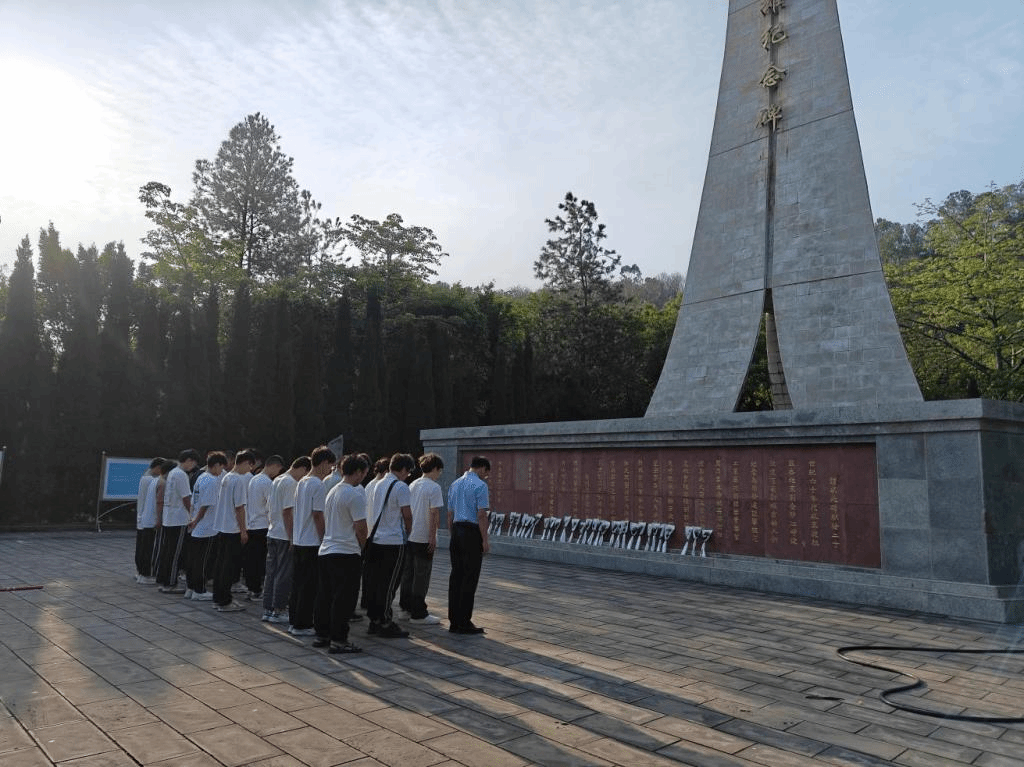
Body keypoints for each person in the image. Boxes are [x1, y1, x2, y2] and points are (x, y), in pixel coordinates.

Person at [313, 454, 369, 654]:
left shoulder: (333, 491)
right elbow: (361, 528)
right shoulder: (354, 495)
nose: (364, 477)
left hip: (327, 549)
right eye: (364, 473)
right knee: (344, 599)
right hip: (346, 551)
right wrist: (363, 546)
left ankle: (322, 634)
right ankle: (339, 639)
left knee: (325, 596)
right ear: (358, 472)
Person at [363, 453, 415, 638]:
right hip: (393, 541)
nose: (407, 476)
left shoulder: (378, 483)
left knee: (376, 582)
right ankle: (385, 621)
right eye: (408, 472)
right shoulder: (400, 486)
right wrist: (409, 532)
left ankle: (374, 620)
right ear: (403, 469)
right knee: (389, 584)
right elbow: (407, 515)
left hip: (376, 539)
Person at [288, 446, 335, 636]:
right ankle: (303, 624)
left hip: (299, 539)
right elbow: (317, 515)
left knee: (298, 584)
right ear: (323, 463)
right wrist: (324, 539)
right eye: (330, 466)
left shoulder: (302, 481)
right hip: (312, 541)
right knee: (309, 586)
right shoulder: (318, 485)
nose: (330, 470)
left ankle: (294, 621)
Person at [263, 455, 310, 623]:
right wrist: (292, 537)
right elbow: (287, 511)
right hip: (284, 535)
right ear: (303, 469)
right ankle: (279, 609)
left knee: (271, 573)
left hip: (273, 532)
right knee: (284, 574)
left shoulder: (277, 479)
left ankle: (268, 609)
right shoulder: (291, 483)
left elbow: (269, 507)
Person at [447, 455, 491, 635]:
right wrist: (485, 540)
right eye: (486, 473)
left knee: (456, 576)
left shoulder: (455, 484)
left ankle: (454, 621)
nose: (485, 477)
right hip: (471, 533)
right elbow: (481, 515)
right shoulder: (481, 485)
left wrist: (453, 535)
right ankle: (464, 621)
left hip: (456, 531)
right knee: (469, 577)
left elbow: (450, 514)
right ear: (482, 468)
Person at [398, 453, 444, 624]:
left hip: (410, 535)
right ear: (435, 468)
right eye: (439, 470)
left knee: (408, 573)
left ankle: (405, 609)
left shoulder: (413, 484)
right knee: (422, 575)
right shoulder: (434, 487)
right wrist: (432, 536)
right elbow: (434, 513)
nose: (440, 474)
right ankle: (418, 613)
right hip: (424, 536)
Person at [211, 449, 256, 612]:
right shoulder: (238, 480)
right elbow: (239, 508)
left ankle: (219, 598)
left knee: (220, 565)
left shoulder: (227, 477)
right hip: (232, 529)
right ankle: (224, 601)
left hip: (223, 527)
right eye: (250, 466)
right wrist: (243, 530)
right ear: (246, 463)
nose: (250, 470)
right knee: (228, 567)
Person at [155, 449, 199, 592]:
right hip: (179, 519)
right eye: (193, 463)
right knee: (175, 553)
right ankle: (170, 583)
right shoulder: (181, 474)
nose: (193, 467)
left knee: (168, 551)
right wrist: (193, 515)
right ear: (189, 460)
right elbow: (186, 497)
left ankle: (163, 580)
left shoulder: (173, 472)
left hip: (169, 517)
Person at [185, 452, 227, 601]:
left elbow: (194, 501)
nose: (221, 471)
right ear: (216, 465)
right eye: (221, 468)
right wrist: (196, 520)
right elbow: (205, 505)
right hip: (206, 527)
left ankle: (190, 588)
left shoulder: (201, 477)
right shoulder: (212, 481)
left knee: (194, 559)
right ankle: (200, 590)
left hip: (197, 527)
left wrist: (192, 520)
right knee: (203, 561)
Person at [244, 454, 283, 600]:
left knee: (251, 560)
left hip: (251, 524)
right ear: (275, 466)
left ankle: (251, 588)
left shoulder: (253, 479)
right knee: (260, 561)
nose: (277, 473)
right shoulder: (267, 483)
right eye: (278, 470)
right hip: (263, 525)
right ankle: (257, 590)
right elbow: (271, 505)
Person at [135, 458, 164, 584]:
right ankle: (145, 574)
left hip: (142, 518)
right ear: (157, 467)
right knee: (147, 548)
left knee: (141, 547)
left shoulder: (145, 477)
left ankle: (140, 572)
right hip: (147, 518)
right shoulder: (152, 480)